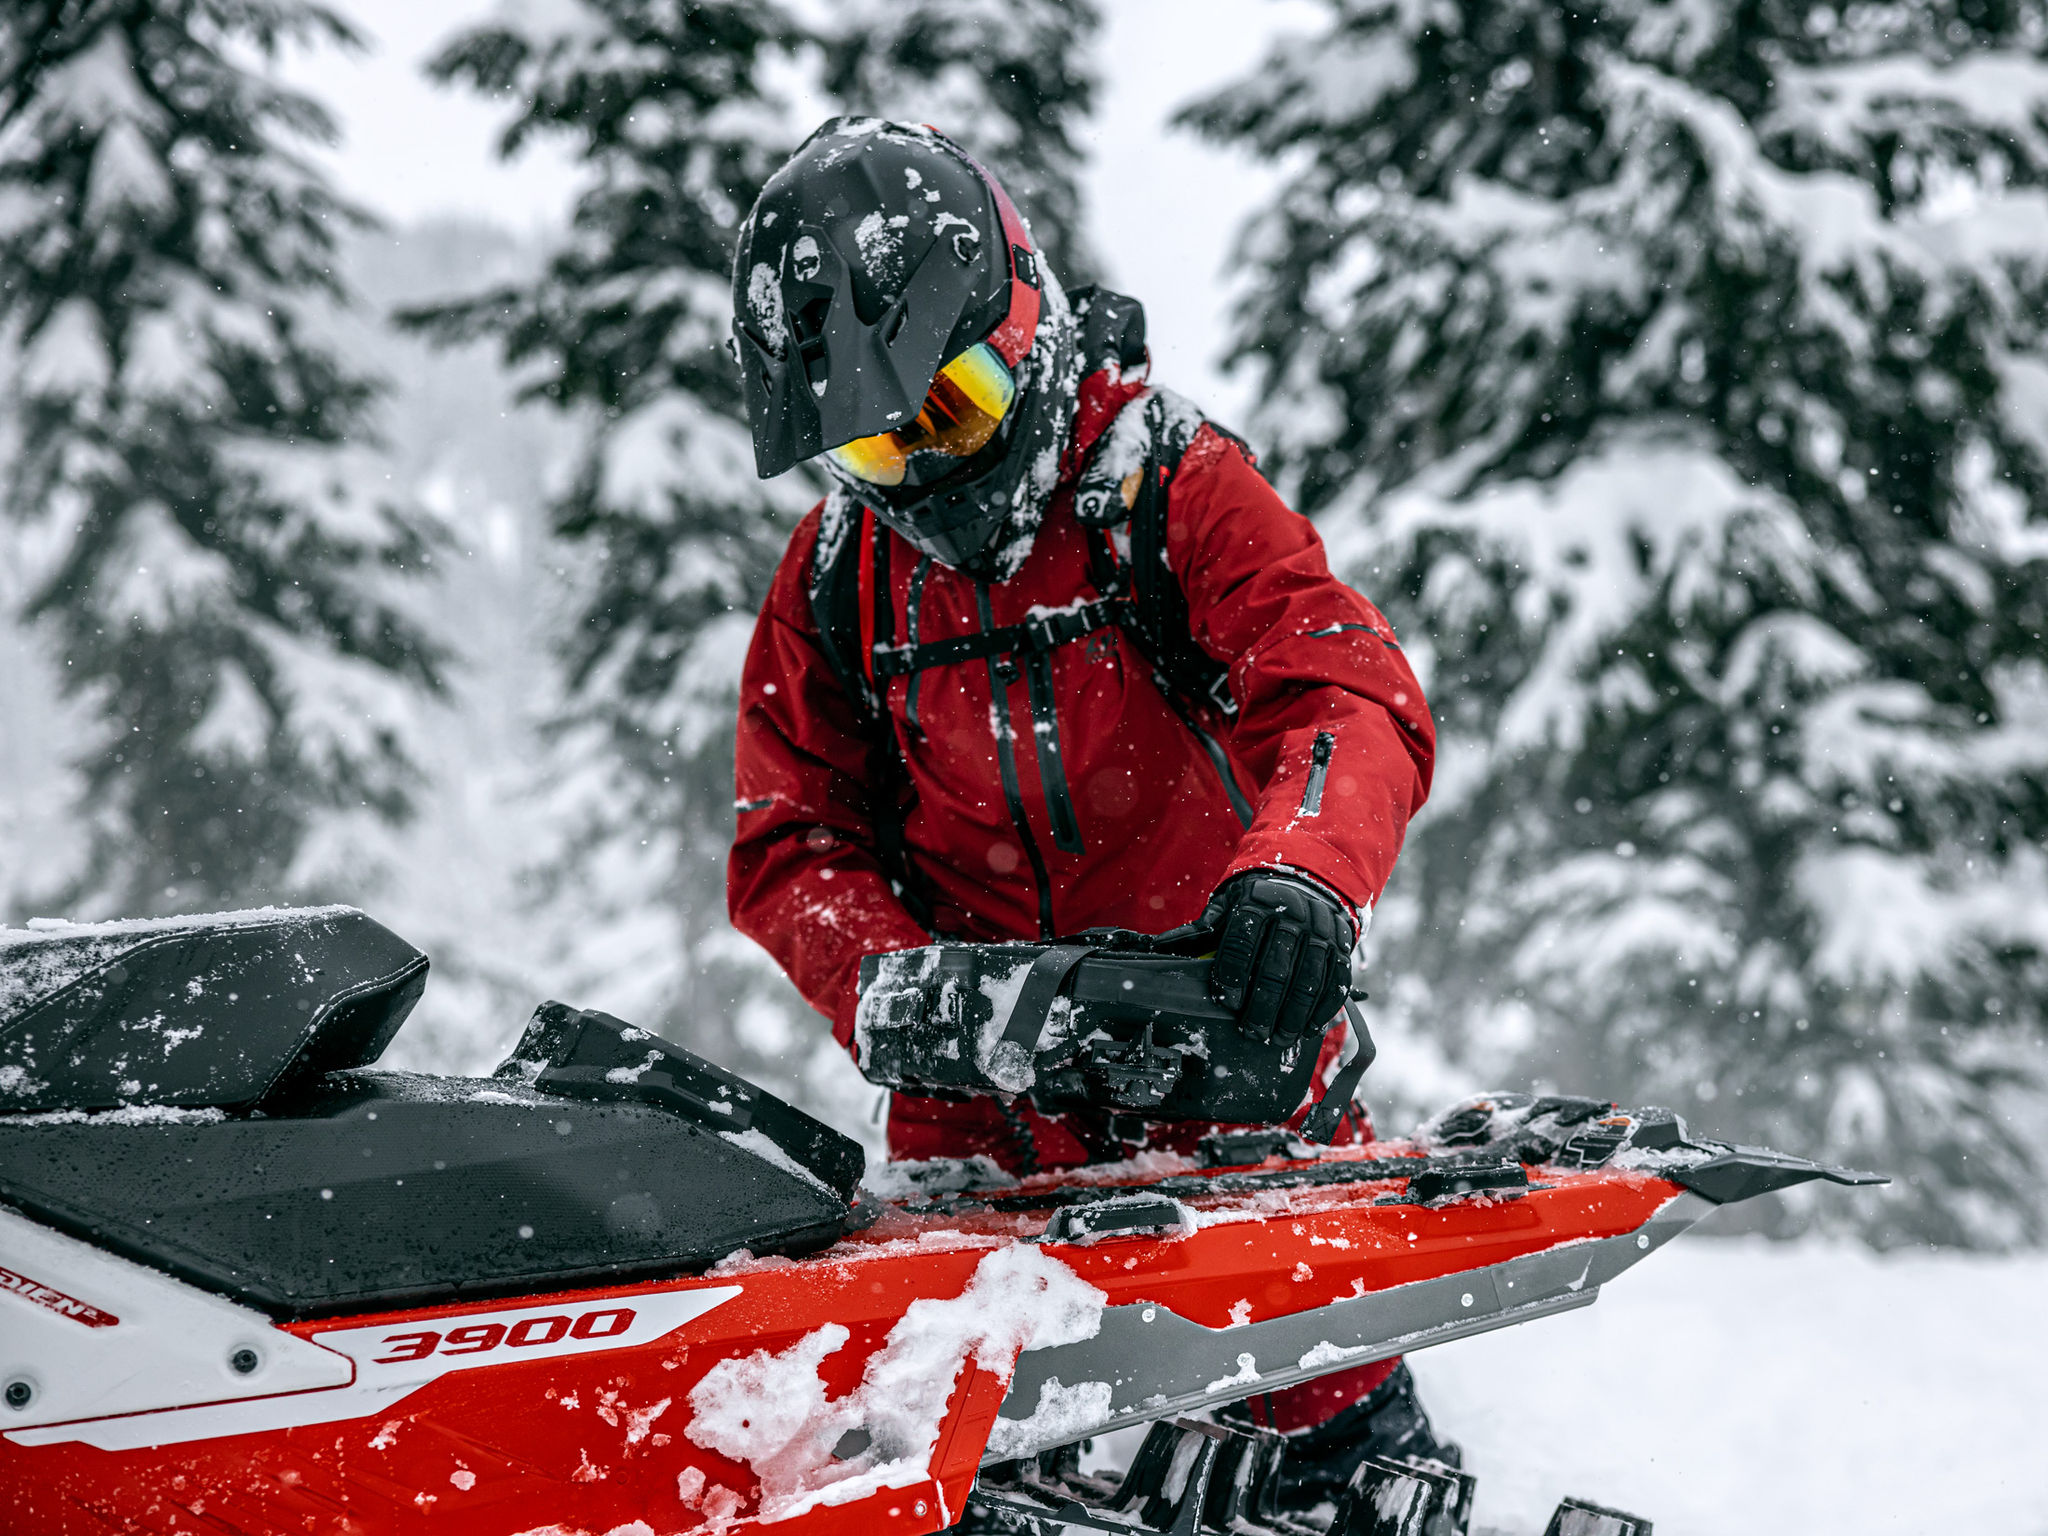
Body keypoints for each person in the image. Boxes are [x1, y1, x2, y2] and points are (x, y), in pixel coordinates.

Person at [725, 117, 1454, 1501]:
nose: (927, 476)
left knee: (1331, 1424)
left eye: (953, 410)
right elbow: (790, 838)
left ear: (1031, 321)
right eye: (880, 452)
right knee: (950, 1472)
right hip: (978, 1124)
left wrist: (1303, 872)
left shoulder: (1165, 485)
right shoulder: (836, 576)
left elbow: (1341, 689)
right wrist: (891, 985)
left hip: (1225, 1069)